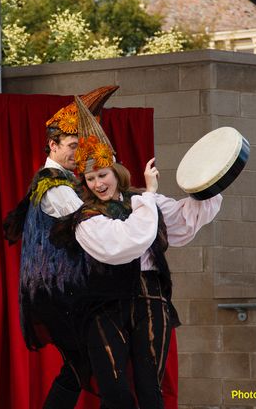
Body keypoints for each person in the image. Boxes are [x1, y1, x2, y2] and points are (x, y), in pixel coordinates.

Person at [51, 97, 221, 409]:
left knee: (149, 388)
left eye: (103, 174)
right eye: (91, 178)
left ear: (116, 171)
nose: (99, 183)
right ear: (84, 183)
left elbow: (185, 219)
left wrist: (211, 177)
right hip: (103, 302)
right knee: (114, 390)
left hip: (150, 297)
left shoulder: (143, 200)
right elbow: (121, 243)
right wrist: (151, 197)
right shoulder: (87, 217)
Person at [3, 86, 118, 409]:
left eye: (82, 146)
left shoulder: (67, 180)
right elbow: (86, 224)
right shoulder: (54, 184)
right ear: (52, 145)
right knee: (91, 363)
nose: (77, 153)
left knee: (81, 367)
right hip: (58, 292)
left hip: (63, 291)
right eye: (71, 146)